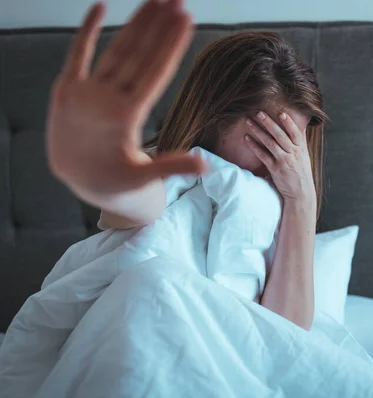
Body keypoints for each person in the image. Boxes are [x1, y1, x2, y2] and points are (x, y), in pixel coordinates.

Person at [46, 0, 327, 330]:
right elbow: (140, 203)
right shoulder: (170, 176)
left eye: (294, 146)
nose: (283, 162)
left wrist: (302, 201)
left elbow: (288, 336)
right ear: (214, 120)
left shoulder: (287, 193)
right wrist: (103, 172)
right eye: (270, 143)